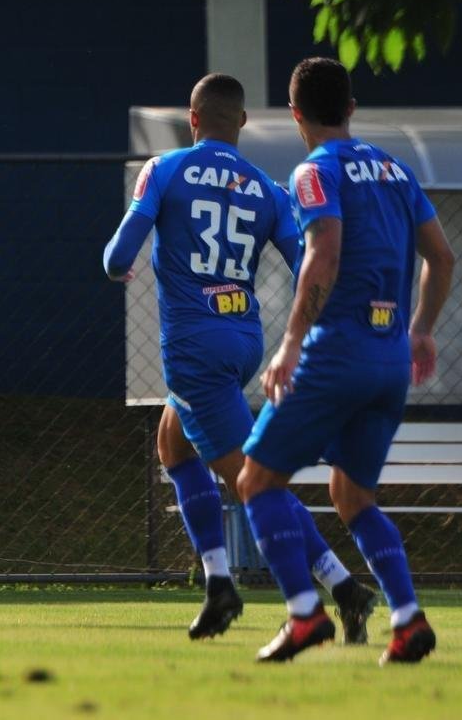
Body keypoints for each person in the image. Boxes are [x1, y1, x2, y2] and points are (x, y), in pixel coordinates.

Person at [103, 73, 374, 642]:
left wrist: (122, 262)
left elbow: (116, 257)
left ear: (192, 117)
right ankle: (218, 584)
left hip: (194, 349)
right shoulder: (266, 188)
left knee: (255, 482)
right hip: (245, 341)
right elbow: (307, 263)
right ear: (243, 123)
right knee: (172, 445)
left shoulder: (165, 168)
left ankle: (342, 585)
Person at [237, 57, 455, 664]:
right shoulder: (396, 170)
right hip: (389, 363)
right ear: (352, 108)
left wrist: (290, 343)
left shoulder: (314, 172)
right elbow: (443, 257)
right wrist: (422, 331)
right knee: (352, 494)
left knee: (256, 479)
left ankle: (305, 614)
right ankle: (408, 619)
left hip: (337, 354)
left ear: (296, 113)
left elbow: (324, 252)